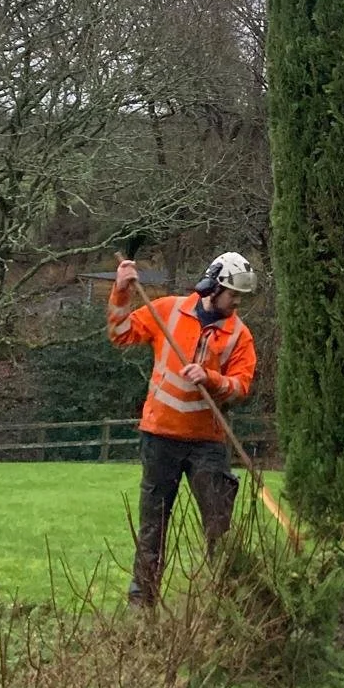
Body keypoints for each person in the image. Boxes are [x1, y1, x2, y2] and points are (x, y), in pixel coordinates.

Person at [107, 252, 258, 606]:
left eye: (241, 297)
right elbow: (120, 333)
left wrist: (211, 378)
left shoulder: (239, 336)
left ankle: (226, 600)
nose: (237, 302)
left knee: (219, 525)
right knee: (152, 528)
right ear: (213, 286)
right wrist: (120, 292)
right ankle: (142, 603)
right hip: (159, 436)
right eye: (233, 294)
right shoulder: (168, 310)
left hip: (208, 443)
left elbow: (241, 387)